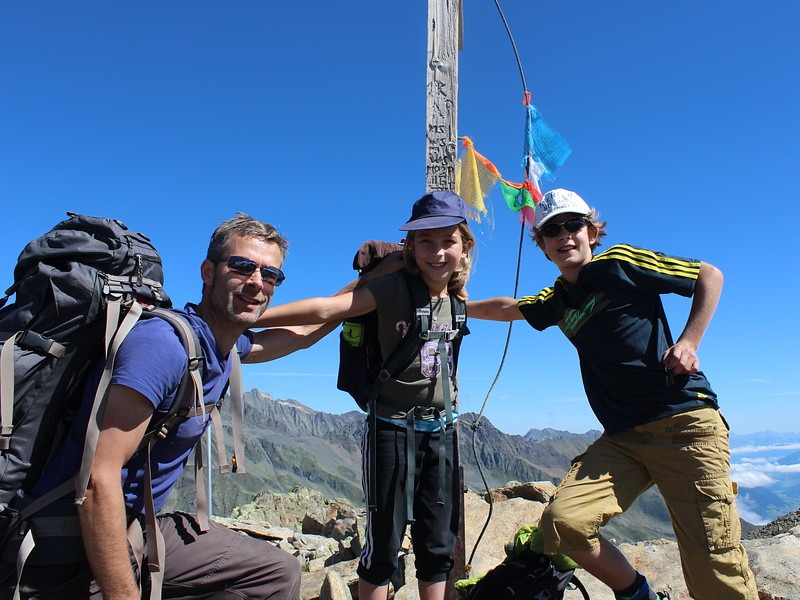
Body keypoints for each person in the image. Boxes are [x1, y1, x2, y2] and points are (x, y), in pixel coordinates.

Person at [1, 213, 340, 599]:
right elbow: (97, 482)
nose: (256, 282)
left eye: (270, 275)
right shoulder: (163, 346)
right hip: (72, 547)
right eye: (242, 266)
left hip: (135, 527)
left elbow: (304, 334)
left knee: (275, 573)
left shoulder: (220, 346)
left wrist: (376, 279)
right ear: (208, 271)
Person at [467, 189, 757, 600]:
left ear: (591, 231)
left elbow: (709, 275)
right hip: (622, 438)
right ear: (543, 245)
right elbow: (507, 307)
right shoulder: (557, 299)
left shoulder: (619, 262)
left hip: (683, 423)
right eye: (551, 230)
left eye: (573, 225)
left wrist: (690, 341)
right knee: (564, 523)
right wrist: (455, 304)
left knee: (713, 568)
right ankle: (639, 595)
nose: (564, 235)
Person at [260, 191, 475, 600]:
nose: (437, 252)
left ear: (465, 246)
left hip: (443, 431)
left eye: (447, 240)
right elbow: (327, 308)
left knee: (438, 546)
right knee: (384, 546)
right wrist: (251, 316)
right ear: (410, 247)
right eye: (425, 241)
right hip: (391, 431)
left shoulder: (458, 298)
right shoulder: (394, 288)